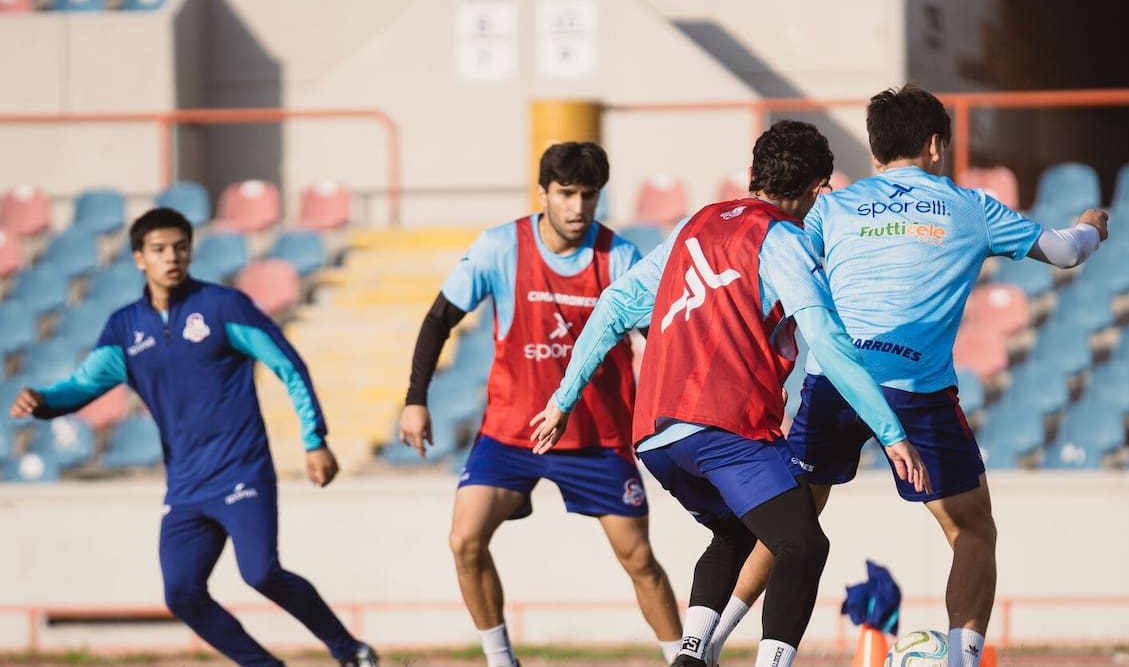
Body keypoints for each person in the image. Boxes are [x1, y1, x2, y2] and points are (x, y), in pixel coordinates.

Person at [705, 84, 1110, 667]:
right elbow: (1066, 253)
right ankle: (961, 660)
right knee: (972, 530)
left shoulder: (833, 207)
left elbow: (773, 266)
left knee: (789, 523)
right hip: (916, 387)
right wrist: (1093, 224)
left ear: (873, 154)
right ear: (936, 144)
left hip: (835, 380)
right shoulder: (972, 207)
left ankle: (710, 647)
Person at [530, 120, 929, 667]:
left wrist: (561, 401)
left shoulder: (694, 226)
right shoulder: (783, 239)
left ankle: (691, 656)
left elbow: (614, 306)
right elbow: (828, 343)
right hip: (722, 428)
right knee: (804, 547)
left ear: (753, 176)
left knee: (739, 532)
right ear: (818, 190)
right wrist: (891, 432)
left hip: (656, 436)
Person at [9, 208, 378, 667]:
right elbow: (83, 386)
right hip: (185, 485)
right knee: (182, 592)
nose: (172, 257)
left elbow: (288, 365)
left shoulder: (223, 306)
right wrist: (41, 401)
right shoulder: (125, 328)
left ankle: (351, 650)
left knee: (260, 572)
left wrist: (314, 438)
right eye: (160, 249)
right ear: (138, 258)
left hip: (242, 470)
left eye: (181, 247)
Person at [397, 141, 683, 667]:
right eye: (566, 194)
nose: (578, 207)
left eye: (589, 195)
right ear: (543, 193)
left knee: (639, 559)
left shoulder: (618, 256)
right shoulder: (498, 247)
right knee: (464, 540)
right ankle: (501, 660)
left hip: (596, 437)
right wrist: (416, 400)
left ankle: (679, 659)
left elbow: (660, 339)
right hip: (513, 432)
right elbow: (439, 318)